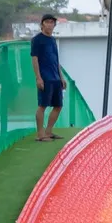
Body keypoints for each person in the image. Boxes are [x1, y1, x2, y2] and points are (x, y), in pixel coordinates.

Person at [31, 12, 64, 141]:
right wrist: (38, 77)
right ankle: (40, 134)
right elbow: (34, 59)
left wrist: (61, 77)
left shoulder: (53, 40)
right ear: (42, 24)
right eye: (47, 22)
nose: (50, 24)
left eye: (52, 22)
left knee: (58, 105)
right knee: (42, 105)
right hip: (45, 78)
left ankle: (49, 131)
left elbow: (56, 60)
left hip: (56, 78)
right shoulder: (37, 40)